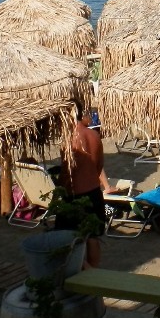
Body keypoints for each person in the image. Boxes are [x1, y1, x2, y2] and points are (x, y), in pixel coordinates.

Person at [58, 103, 108, 268]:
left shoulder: (69, 139)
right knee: (92, 236)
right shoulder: (94, 135)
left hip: (76, 194)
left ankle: (83, 268)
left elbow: (67, 172)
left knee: (67, 236)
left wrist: (59, 190)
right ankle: (93, 271)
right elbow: (99, 166)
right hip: (94, 192)